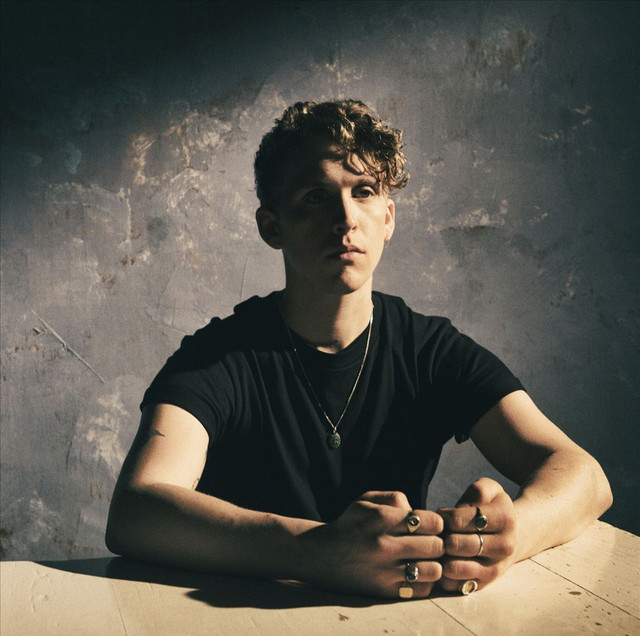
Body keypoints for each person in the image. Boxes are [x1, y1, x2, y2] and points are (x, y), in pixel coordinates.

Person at [106, 99, 612, 600]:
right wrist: (314, 552)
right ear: (271, 226)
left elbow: (585, 477)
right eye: (315, 197)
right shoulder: (219, 357)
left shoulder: (430, 350)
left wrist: (511, 536)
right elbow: (135, 509)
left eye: (364, 192)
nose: (345, 218)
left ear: (387, 219)